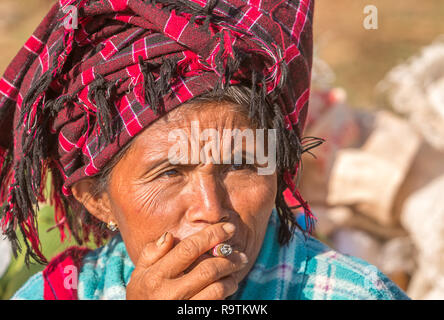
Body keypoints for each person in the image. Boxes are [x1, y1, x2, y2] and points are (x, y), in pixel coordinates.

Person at [0, 0, 409, 300]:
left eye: (241, 164)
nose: (212, 210)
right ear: (98, 201)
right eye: (169, 173)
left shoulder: (350, 293)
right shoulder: (55, 294)